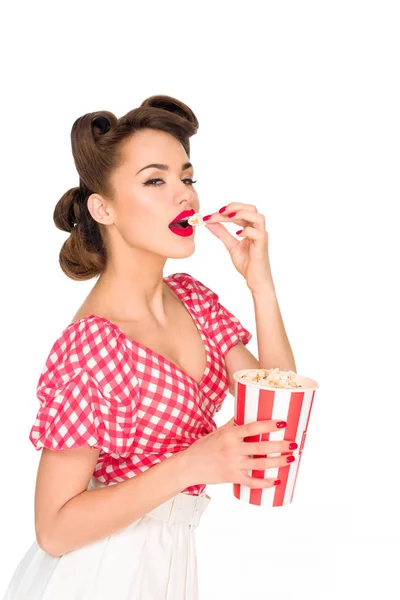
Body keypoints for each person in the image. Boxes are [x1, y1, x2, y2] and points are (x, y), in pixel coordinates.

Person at [3, 94, 297, 600]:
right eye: (155, 180)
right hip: (98, 572)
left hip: (170, 565)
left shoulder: (194, 302)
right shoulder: (93, 345)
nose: (184, 196)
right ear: (103, 208)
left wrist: (261, 287)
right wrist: (192, 465)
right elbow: (53, 528)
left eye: (187, 178)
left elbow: (280, 415)